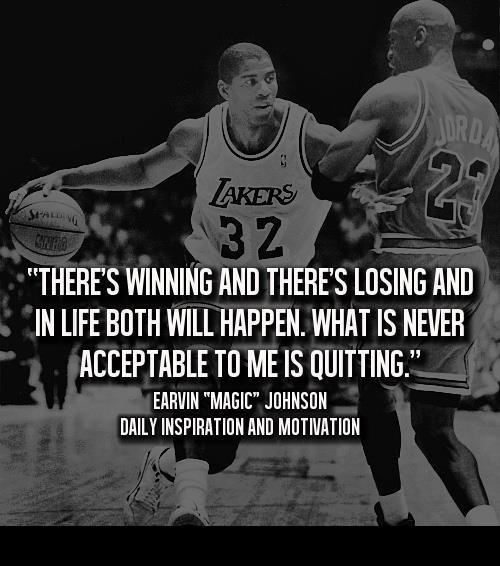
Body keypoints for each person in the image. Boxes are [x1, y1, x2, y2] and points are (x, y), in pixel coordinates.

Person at [6, 43, 408, 526]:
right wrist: (66, 177)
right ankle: (190, 506)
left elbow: (365, 169)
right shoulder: (198, 135)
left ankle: (164, 464)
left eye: (270, 78)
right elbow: (142, 169)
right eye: (250, 81)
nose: (265, 89)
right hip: (206, 279)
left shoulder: (309, 136)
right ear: (224, 90)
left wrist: (376, 187)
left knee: (221, 448)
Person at [314, 1, 500, 526]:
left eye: (394, 41)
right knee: (437, 429)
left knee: (374, 389)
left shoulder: (394, 93)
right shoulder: (487, 111)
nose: (389, 53)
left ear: (420, 35)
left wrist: (361, 175)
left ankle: (395, 514)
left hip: (407, 259)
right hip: (467, 264)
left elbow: (325, 178)